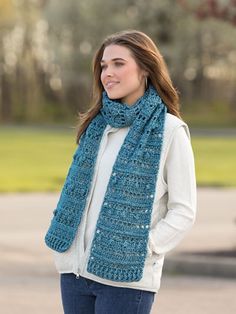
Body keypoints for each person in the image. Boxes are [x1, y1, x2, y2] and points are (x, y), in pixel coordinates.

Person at [45, 29, 197, 314]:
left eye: (118, 63)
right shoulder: (98, 127)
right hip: (75, 274)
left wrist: (143, 246)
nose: (107, 73)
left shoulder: (169, 131)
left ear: (145, 69)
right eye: (103, 66)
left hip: (127, 280)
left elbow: (183, 210)